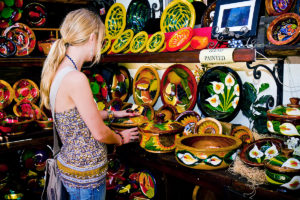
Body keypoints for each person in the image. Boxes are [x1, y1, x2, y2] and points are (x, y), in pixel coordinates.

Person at [40, 8, 139, 199]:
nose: (100, 47)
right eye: (101, 41)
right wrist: (121, 138)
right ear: (92, 38)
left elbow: (75, 116)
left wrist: (114, 114)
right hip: (86, 178)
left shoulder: (60, 72)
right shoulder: (76, 78)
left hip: (73, 171)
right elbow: (100, 133)